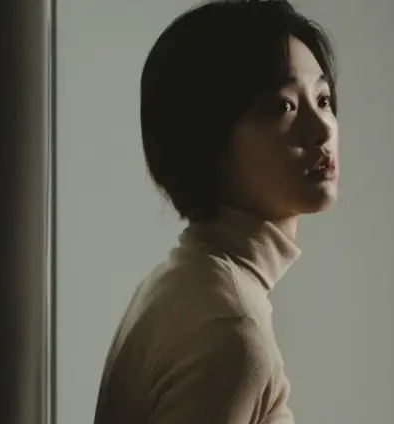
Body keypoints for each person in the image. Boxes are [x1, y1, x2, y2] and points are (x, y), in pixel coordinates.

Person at [93, 0, 339, 422]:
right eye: (284, 106)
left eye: (323, 98)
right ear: (210, 140)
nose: (322, 129)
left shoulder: (185, 282)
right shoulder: (231, 330)